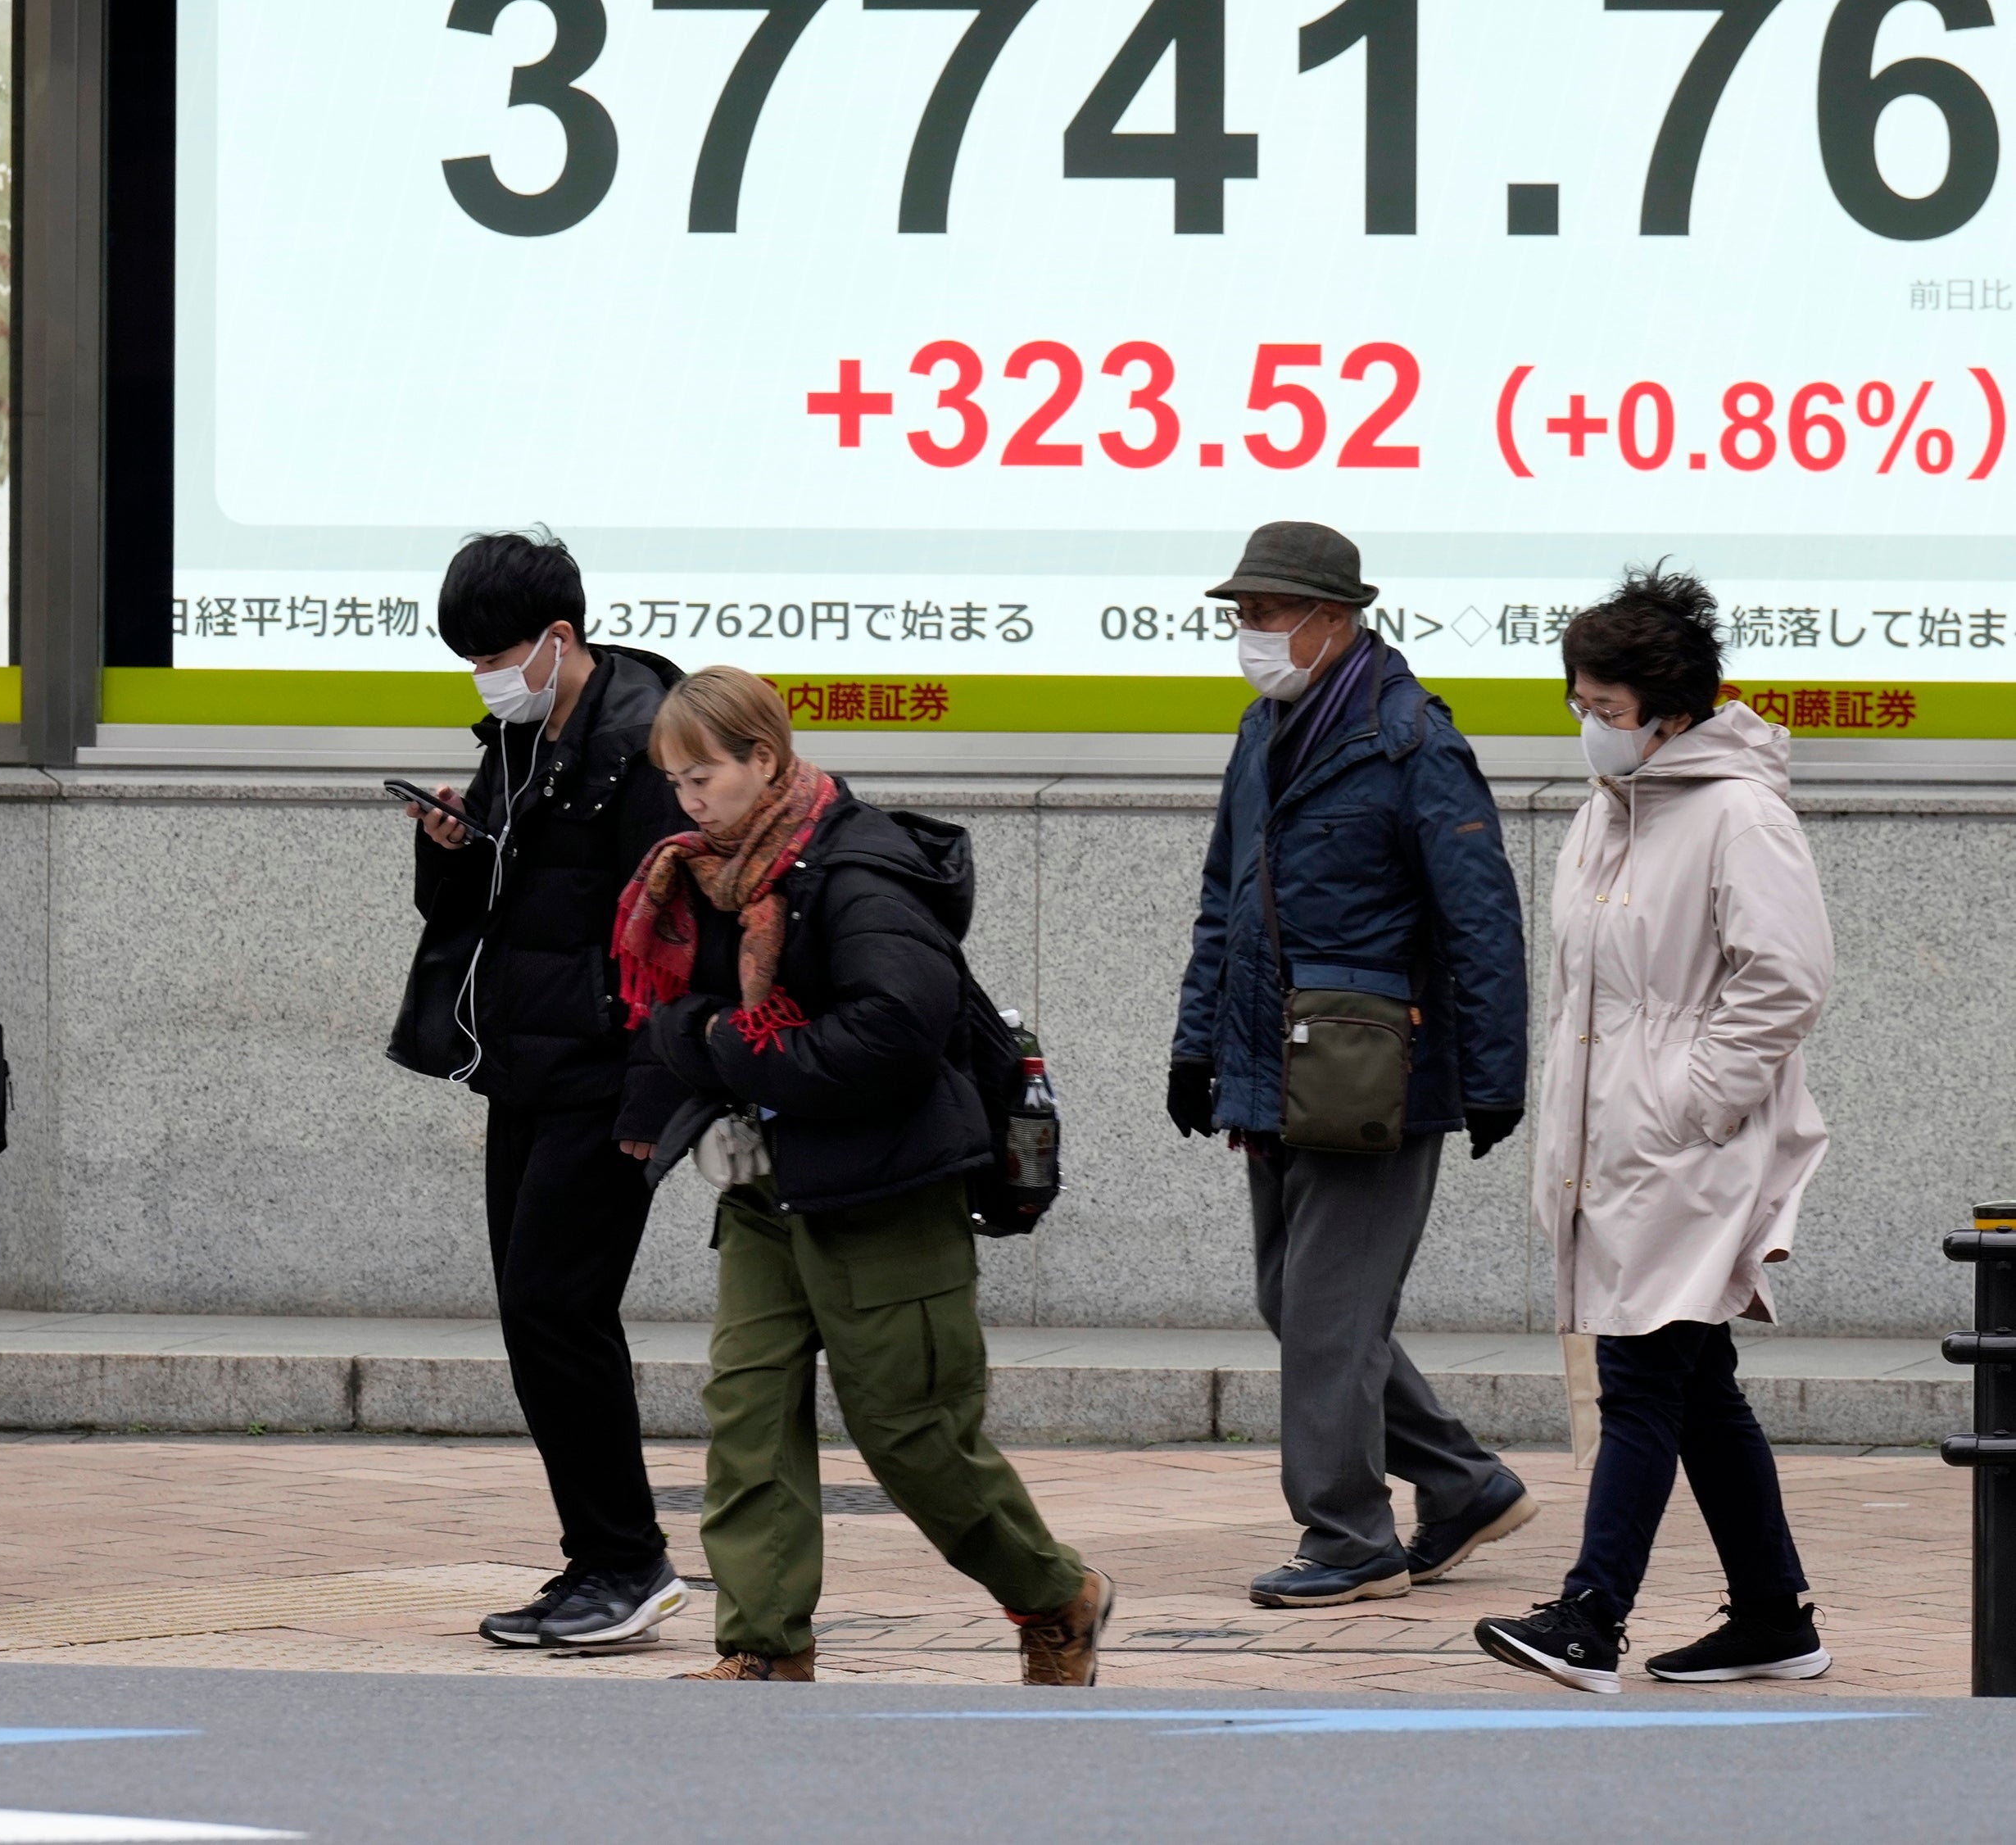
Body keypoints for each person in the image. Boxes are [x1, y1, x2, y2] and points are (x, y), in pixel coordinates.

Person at [620, 667, 1111, 1685]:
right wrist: (698, 1097)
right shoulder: (705, 875)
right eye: (673, 779)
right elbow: (676, 1016)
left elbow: (894, 1029)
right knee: (746, 1417)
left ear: (764, 757)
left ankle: (1054, 1593)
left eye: (702, 772)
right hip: (765, 1194)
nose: (687, 798)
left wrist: (728, 1056)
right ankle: (763, 1646)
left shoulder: (857, 873)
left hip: (883, 1189)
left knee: (913, 1434)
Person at [1476, 569, 1835, 1693]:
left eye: (1610, 709)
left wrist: (1692, 1100)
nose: (1591, 727)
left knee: (1639, 1374)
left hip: (1694, 1147)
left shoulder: (1740, 812)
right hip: (1624, 1145)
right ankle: (1774, 1615)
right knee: (1696, 1380)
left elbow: (1787, 978)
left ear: (1672, 712)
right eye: (1579, 703)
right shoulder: (1606, 813)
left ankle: (1591, 1614)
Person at [1169, 520, 1538, 1609]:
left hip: (1376, 1078)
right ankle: (1464, 1483)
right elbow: (1223, 906)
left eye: (1268, 613)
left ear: (1336, 618)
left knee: (1329, 1316)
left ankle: (1350, 1536)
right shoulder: (1263, 730)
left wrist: (1491, 1076)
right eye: (1241, 614)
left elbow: (1482, 922)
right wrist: (1195, 1049)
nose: (1250, 633)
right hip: (1271, 1070)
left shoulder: (1411, 741)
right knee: (1297, 1300)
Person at [388, 529, 693, 1648]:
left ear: (559, 639)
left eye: (497, 652)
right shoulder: (519, 737)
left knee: (560, 1309)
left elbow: (676, 936)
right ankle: (599, 1558)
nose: (484, 676)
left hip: (606, 1077)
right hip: (524, 1064)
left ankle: (628, 1558)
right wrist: (451, 848)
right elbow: (474, 912)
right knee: (536, 1312)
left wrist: (652, 1103)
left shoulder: (643, 739)